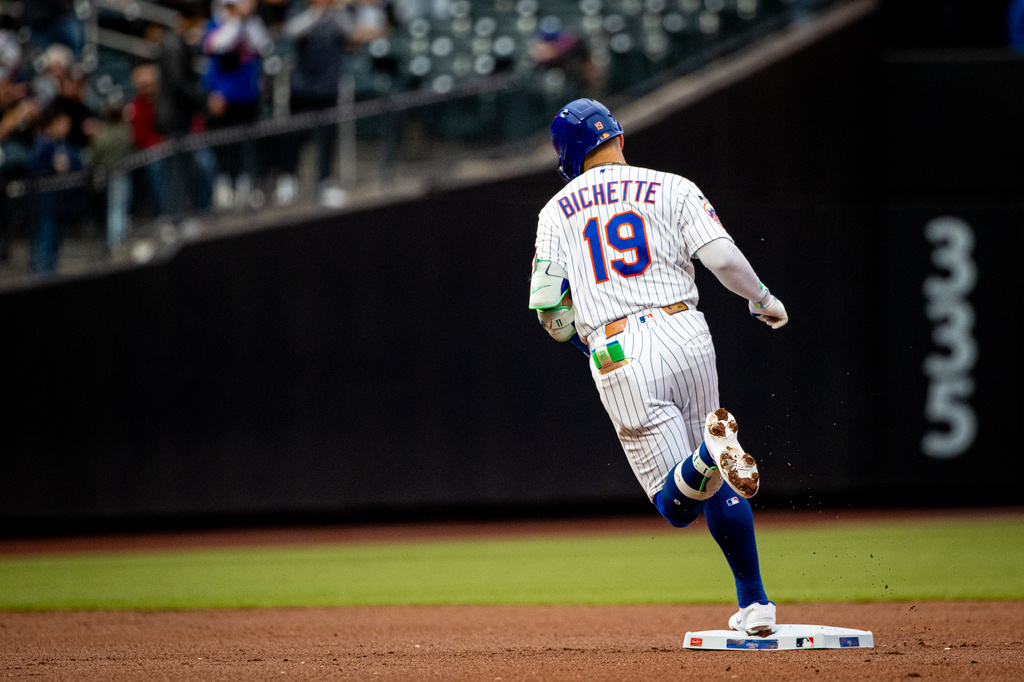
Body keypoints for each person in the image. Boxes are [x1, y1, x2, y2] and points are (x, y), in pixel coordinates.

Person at [529, 99, 789, 636]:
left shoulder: (556, 210)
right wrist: (761, 298)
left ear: (569, 155)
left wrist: (590, 349)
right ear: (617, 136)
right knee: (718, 484)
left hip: (618, 344)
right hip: (688, 330)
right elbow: (721, 258)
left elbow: (551, 310)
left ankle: (707, 452)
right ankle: (756, 602)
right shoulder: (673, 185)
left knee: (677, 504)